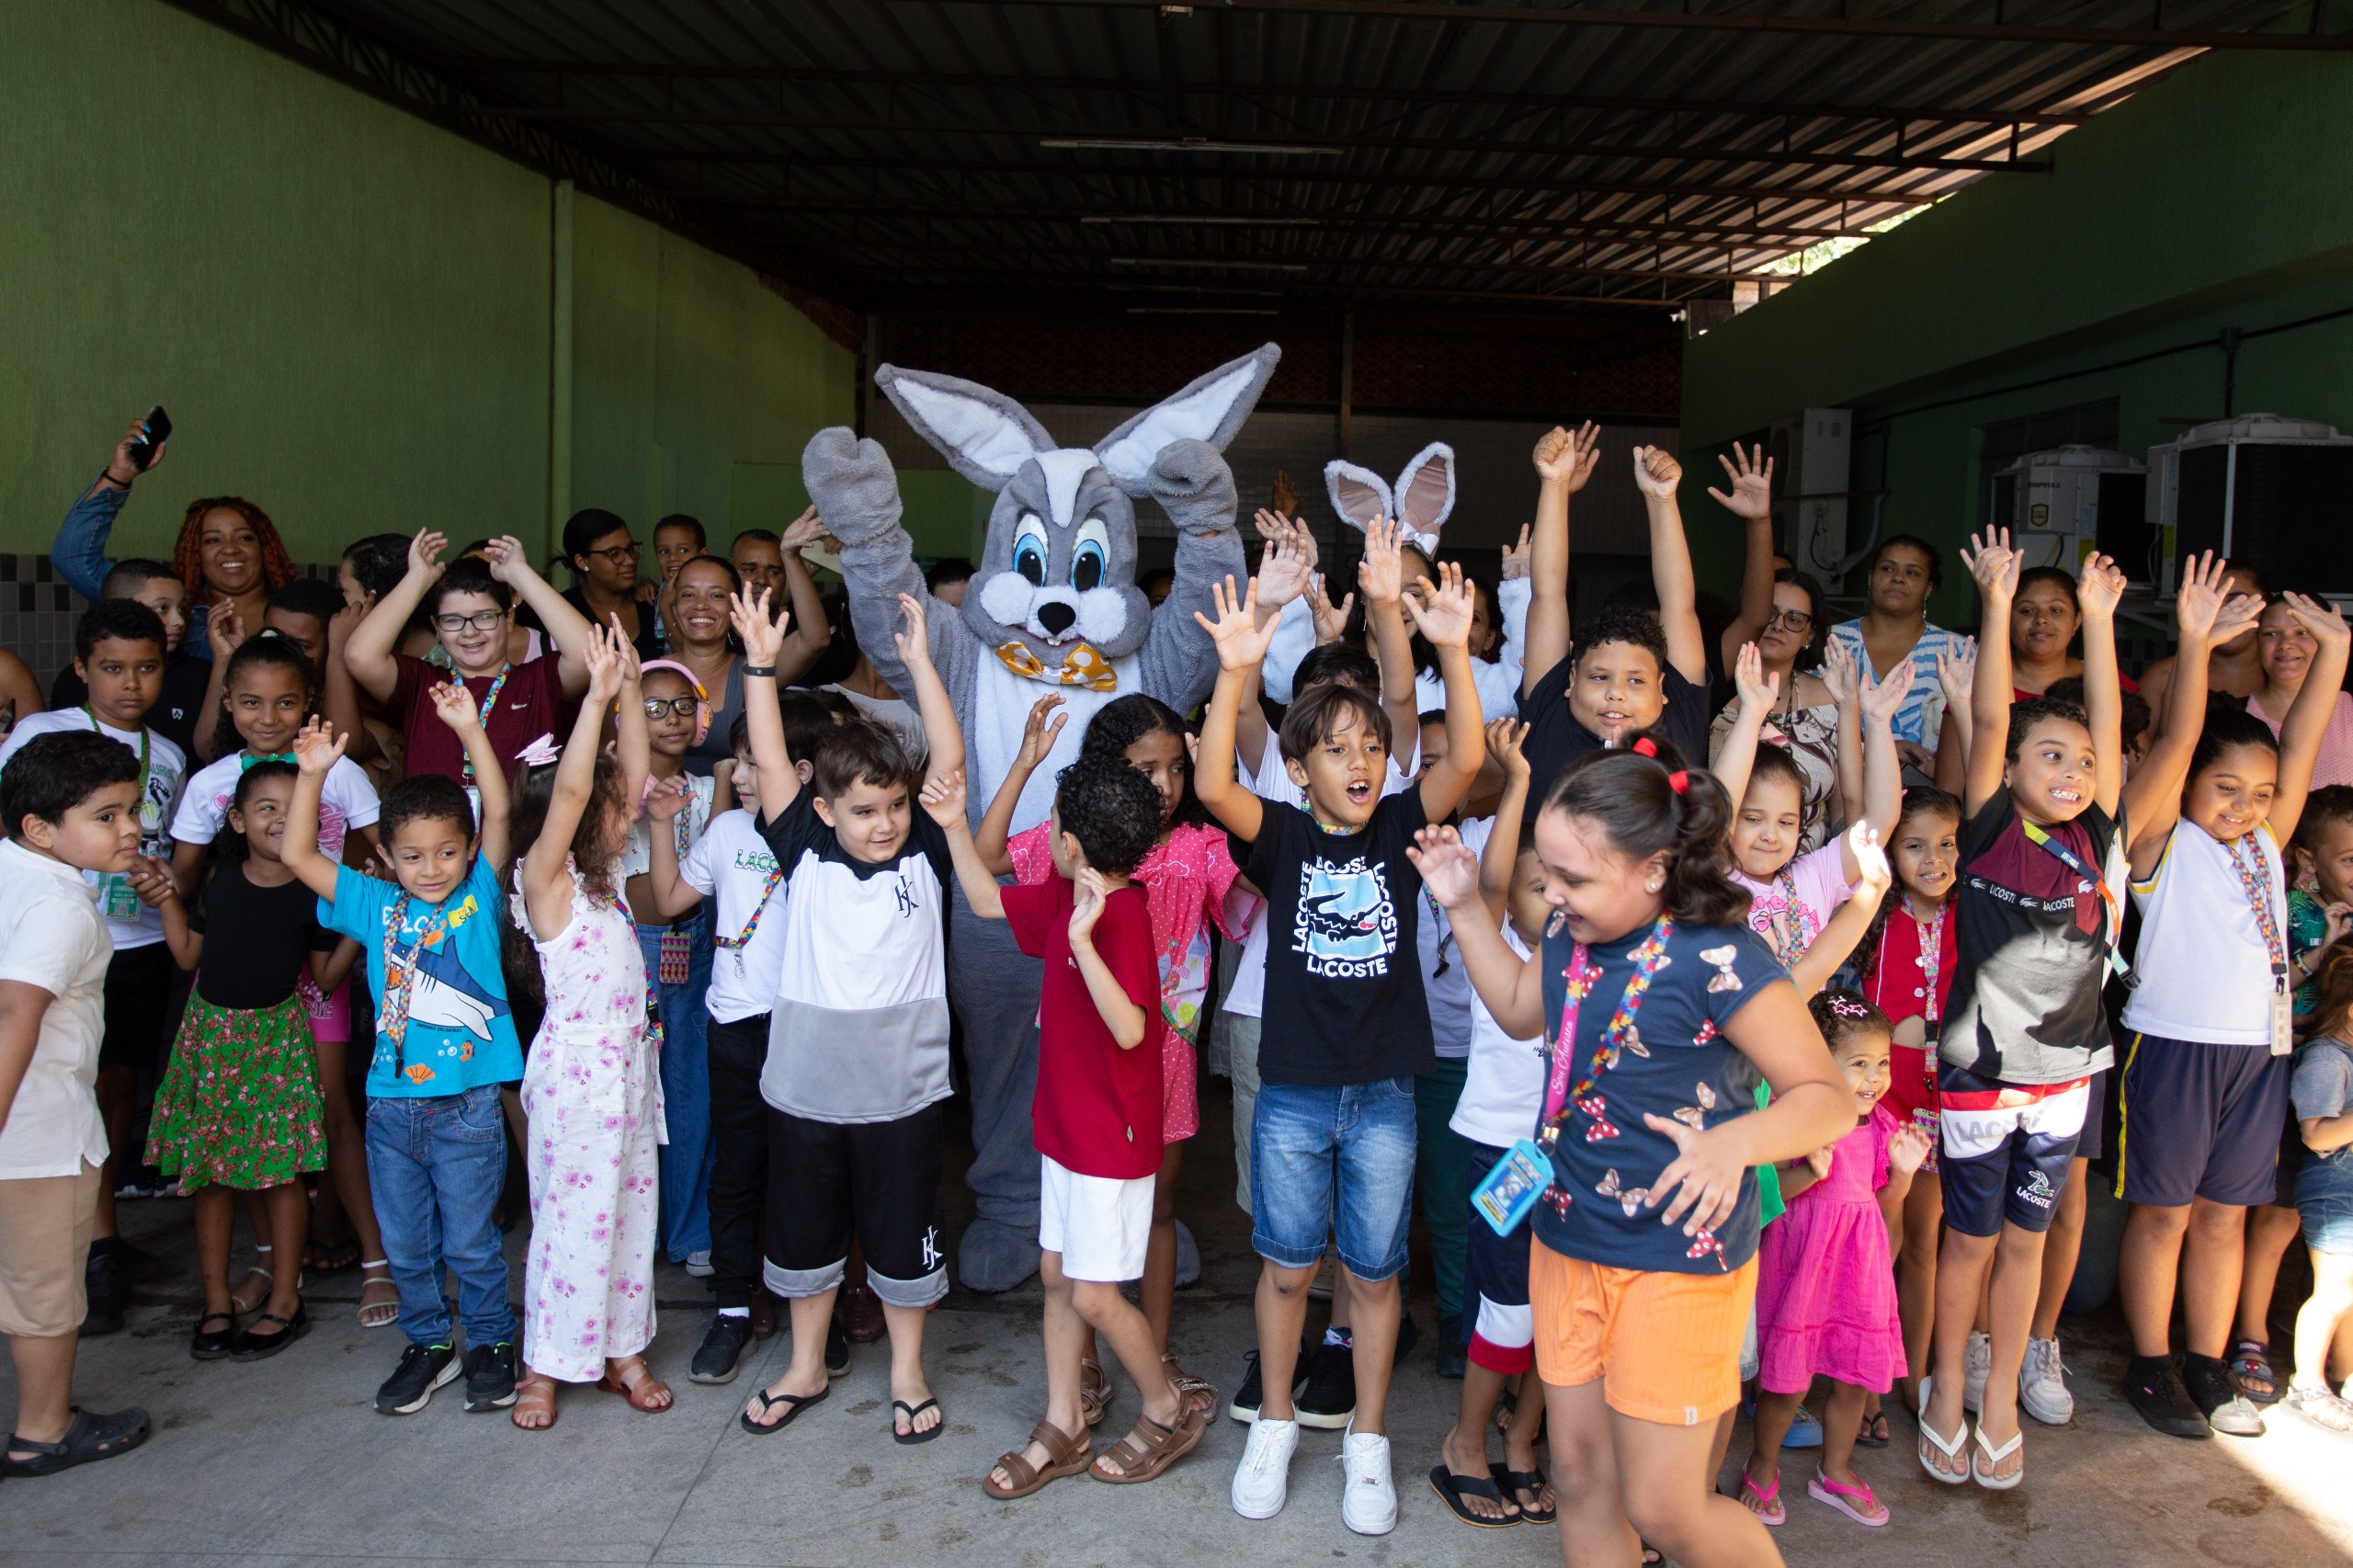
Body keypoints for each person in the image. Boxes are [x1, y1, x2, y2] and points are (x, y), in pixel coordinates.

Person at [1415, 743, 1851, 1568]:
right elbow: (1515, 1008)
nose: (1551, 894)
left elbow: (1823, 1098)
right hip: (1568, 1241)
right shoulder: (1571, 935)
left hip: (1676, 1259)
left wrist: (1734, 1145)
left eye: (1573, 878)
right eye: (1546, 873)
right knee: (1580, 1477)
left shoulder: (1723, 958)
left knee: (1665, 1507)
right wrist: (1467, 906)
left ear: (1655, 870)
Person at [1195, 558, 1487, 1537]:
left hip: (1384, 1097)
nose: (1359, 759)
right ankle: (1273, 1421)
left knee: (1371, 1273)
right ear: (1297, 766)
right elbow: (1206, 780)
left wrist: (1450, 645)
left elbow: (1465, 754)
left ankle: (1367, 1439)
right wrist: (1237, 664)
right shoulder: (1277, 835)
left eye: (1371, 744)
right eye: (1335, 748)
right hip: (1292, 1093)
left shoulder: (1404, 824)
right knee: (1283, 1266)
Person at [2112, 563, 2348, 1440]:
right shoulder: (2159, 843)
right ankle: (2150, 1364)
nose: (2247, 808)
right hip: (2174, 1046)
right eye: (2226, 791)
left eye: (2260, 794)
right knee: (2164, 1214)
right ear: (2186, 790)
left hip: (2261, 1050)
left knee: (2223, 1216)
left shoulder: (2266, 843)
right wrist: (2196, 644)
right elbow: (2177, 747)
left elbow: (2311, 728)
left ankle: (2208, 1363)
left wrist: (2336, 649)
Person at [1916, 532, 2127, 1491]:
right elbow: (1996, 714)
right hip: (1979, 1076)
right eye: (2051, 754)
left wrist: (2101, 622)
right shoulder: (1994, 824)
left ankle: (2000, 1392)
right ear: (2008, 771)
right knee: (1969, 1237)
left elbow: (2115, 734)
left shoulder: (2098, 831)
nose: (2072, 767)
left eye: (2080, 758)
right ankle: (1944, 1390)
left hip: (2066, 1077)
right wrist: (1998, 605)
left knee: (2027, 1241)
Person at [977, 692, 1252, 1425]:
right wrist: (1025, 764)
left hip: (1163, 1059)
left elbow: (1263, 887)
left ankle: (1151, 1351)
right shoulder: (1085, 845)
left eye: (1174, 769)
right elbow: (988, 860)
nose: (1163, 785)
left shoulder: (1200, 846)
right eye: (1144, 769)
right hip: (1089, 1066)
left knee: (1157, 1210)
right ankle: (1092, 1362)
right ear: (1109, 774)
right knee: (1077, 1244)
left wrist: (1225, 781)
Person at [943, 751, 1212, 1493]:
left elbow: (1132, 1029)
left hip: (1109, 1144)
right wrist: (949, 827)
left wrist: (1083, 942)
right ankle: (1063, 1422)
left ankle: (1166, 1406)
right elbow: (985, 899)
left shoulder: (1119, 917)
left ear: (1069, 845)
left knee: (1093, 1291)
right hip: (1065, 1131)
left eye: (1054, 822)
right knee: (1059, 1276)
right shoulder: (1069, 897)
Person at [734, 587, 962, 1444]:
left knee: (904, 1230)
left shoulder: (927, 855)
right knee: (803, 1229)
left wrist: (920, 667)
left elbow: (948, 758)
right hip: (806, 1086)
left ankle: (908, 1369)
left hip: (902, 1089)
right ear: (822, 809)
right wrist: (760, 663)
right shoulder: (803, 851)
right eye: (865, 812)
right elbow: (765, 747)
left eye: (895, 807)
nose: (886, 825)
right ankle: (805, 1363)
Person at [283, 701, 524, 1418]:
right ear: (384, 856)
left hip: (469, 1105)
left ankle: (490, 1341)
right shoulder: (371, 903)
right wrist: (312, 776)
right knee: (408, 1244)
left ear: (470, 848)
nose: (431, 868)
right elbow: (298, 855)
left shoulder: (480, 891)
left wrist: (469, 731)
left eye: (448, 851)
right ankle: (428, 1345)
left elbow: (501, 811)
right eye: (413, 856)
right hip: (390, 1106)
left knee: (474, 1242)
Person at [166, 635, 393, 1328]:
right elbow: (191, 880)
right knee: (246, 1125)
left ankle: (376, 1262)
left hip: (318, 966)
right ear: (227, 704)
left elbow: (375, 859)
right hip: (243, 979)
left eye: (287, 702)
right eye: (251, 702)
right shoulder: (210, 785)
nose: (269, 717)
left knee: (327, 1114)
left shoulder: (338, 771)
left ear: (309, 704)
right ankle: (269, 1260)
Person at [0, 601, 188, 1335]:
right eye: (112, 668)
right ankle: (92, 1245)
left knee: (110, 1080)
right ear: (81, 670)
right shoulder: (42, 738)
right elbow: (17, 1008)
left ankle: (100, 1231)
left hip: (132, 945)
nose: (131, 684)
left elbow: (163, 847)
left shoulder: (166, 754)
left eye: (147, 668)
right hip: (60, 944)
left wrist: (157, 882)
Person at [645, 698, 845, 1381]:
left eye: (754, 762)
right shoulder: (728, 831)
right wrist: (661, 827)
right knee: (738, 1173)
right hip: (735, 1027)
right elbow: (668, 900)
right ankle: (732, 1306)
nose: (740, 775)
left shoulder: (828, 833)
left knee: (809, 1174)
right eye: (739, 760)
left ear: (801, 770)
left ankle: (818, 1311)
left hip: (807, 1026)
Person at [506, 621, 673, 1429]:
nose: (627, 812)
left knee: (630, 1212)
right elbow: (576, 793)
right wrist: (597, 697)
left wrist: (632, 687)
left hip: (631, 1069)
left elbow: (631, 773)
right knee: (570, 1222)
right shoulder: (549, 882)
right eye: (612, 810)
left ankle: (622, 1348)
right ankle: (545, 1364)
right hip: (577, 1077)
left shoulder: (604, 885)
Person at [139, 761, 360, 1359]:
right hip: (210, 1042)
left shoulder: (314, 894)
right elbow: (187, 957)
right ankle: (215, 1300)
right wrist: (164, 901)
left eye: (296, 811)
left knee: (282, 1175)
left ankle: (285, 1299)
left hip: (274, 1043)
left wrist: (360, 927)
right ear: (236, 820)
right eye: (266, 808)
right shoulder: (218, 880)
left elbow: (324, 975)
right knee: (211, 1177)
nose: (282, 819)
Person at [0, 732, 153, 1478]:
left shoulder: (8, 873)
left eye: (130, 809)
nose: (130, 828)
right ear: (40, 828)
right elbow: (13, 1013)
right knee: (43, 1294)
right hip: (32, 1139)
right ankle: (43, 1429)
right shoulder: (62, 907)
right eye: (105, 815)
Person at [1427, 719, 1557, 1528]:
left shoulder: (1600, 954)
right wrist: (1514, 787)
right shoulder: (1498, 940)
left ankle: (1523, 1441)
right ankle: (1465, 1444)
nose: (1558, 899)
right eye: (1546, 886)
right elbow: (1499, 879)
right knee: (1508, 1306)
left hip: (1572, 1158)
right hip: (1504, 1155)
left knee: (1563, 1304)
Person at [1740, 992, 1931, 1529]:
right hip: (1803, 1263)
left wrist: (1904, 1175)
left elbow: (1879, 1201)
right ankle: (1763, 1463)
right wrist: (1811, 1173)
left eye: (1883, 1063)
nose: (1874, 1077)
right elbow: (1771, 1191)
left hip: (1858, 1268)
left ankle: (1836, 1470)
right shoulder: (1798, 1119)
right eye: (1859, 1064)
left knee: (1854, 1379)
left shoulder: (1882, 1127)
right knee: (1789, 1381)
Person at [1519, 430, 1716, 795]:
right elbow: (1546, 594)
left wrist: (1662, 500)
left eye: (1637, 681)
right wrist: (1554, 484)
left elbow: (1679, 605)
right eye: (1598, 677)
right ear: (1571, 678)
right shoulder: (1549, 714)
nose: (1616, 694)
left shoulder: (1679, 721)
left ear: (1663, 688)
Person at [1853, 786, 1964, 1421]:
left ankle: (1914, 1374)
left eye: (1946, 844)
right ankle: (1863, 1386)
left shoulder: (1971, 921)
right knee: (1878, 1244)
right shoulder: (1872, 917)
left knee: (1925, 1244)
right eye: (1915, 845)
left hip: (1942, 1108)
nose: (1933, 858)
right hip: (1880, 1107)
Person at [1711, 642, 1904, 997]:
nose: (1770, 835)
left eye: (1786, 822)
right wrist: (1753, 714)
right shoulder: (1711, 878)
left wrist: (1876, 722)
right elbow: (1718, 805)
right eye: (1752, 818)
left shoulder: (1813, 875)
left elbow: (1879, 820)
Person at [344, 531, 598, 787]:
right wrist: (418, 578)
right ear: (437, 627)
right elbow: (360, 656)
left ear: (508, 619)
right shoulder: (424, 685)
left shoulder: (539, 681)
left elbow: (589, 652)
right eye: (452, 620)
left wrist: (520, 574)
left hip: (523, 828)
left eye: (485, 617)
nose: (469, 631)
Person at [620, 657, 722, 1275]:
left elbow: (709, 881)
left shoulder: (712, 789)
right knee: (634, 1096)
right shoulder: (614, 792)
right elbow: (650, 899)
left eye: (684, 704)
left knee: (692, 1093)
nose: (672, 718)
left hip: (699, 944)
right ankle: (635, 1235)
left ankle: (689, 1233)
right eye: (652, 707)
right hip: (636, 950)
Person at [50, 414, 297, 662]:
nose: (230, 549)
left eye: (244, 538)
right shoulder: (169, 607)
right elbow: (72, 558)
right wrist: (119, 475)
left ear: (265, 546)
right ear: (194, 552)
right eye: (212, 540)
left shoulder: (301, 609)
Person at [670, 537, 829, 776]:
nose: (700, 605)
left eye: (716, 596)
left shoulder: (754, 671)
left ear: (736, 607)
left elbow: (814, 639)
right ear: (674, 607)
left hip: (739, 809)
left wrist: (790, 556)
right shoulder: (649, 673)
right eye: (688, 595)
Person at [2282, 945, 2353, 1431]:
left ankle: (2346, 1373)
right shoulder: (2328, 1058)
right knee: (2334, 1290)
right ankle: (2307, 1382)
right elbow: (2317, 1134)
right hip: (2333, 1187)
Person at [1826, 535, 1963, 774]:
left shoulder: (1957, 652)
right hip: (1845, 788)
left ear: (1928, 588)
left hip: (1934, 799)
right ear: (1870, 578)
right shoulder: (1831, 642)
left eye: (1912, 573)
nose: (1898, 578)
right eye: (1887, 568)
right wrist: (1869, 748)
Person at [49, 560, 202, 755]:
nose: (179, 621)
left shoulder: (198, 674)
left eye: (181, 608)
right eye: (162, 608)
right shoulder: (47, 721)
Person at [2139, 562, 2268, 735]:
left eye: (2238, 601)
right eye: (2211, 601)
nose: (2224, 612)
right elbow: (2137, 755)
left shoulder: (2282, 674)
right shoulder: (2162, 677)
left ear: (2265, 606)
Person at [2249, 595, 2353, 789]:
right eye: (2271, 634)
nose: (2285, 644)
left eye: (2302, 632)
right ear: (2256, 642)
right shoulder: (2237, 712)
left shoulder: (2350, 710)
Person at [562, 508, 664, 662]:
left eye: (630, 549)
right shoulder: (563, 610)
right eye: (614, 553)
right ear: (582, 561)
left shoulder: (651, 603)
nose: (630, 560)